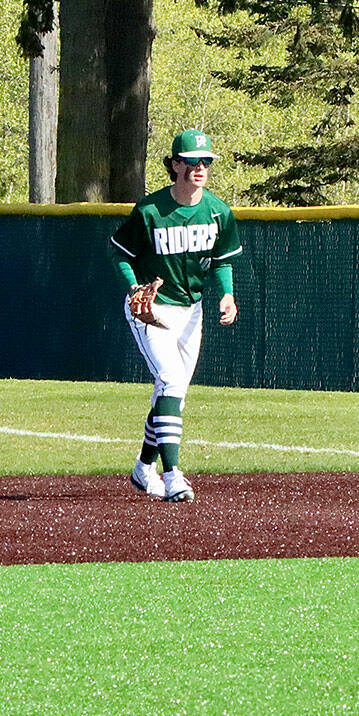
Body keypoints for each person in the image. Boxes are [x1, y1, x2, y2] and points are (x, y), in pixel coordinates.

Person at [109, 128, 243, 503]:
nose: (200, 167)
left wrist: (228, 295)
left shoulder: (218, 211)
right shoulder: (151, 211)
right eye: (192, 161)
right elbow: (120, 253)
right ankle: (172, 476)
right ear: (175, 164)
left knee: (174, 395)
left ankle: (141, 470)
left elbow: (221, 261)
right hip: (152, 308)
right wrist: (134, 287)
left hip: (191, 311)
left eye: (206, 161)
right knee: (170, 380)